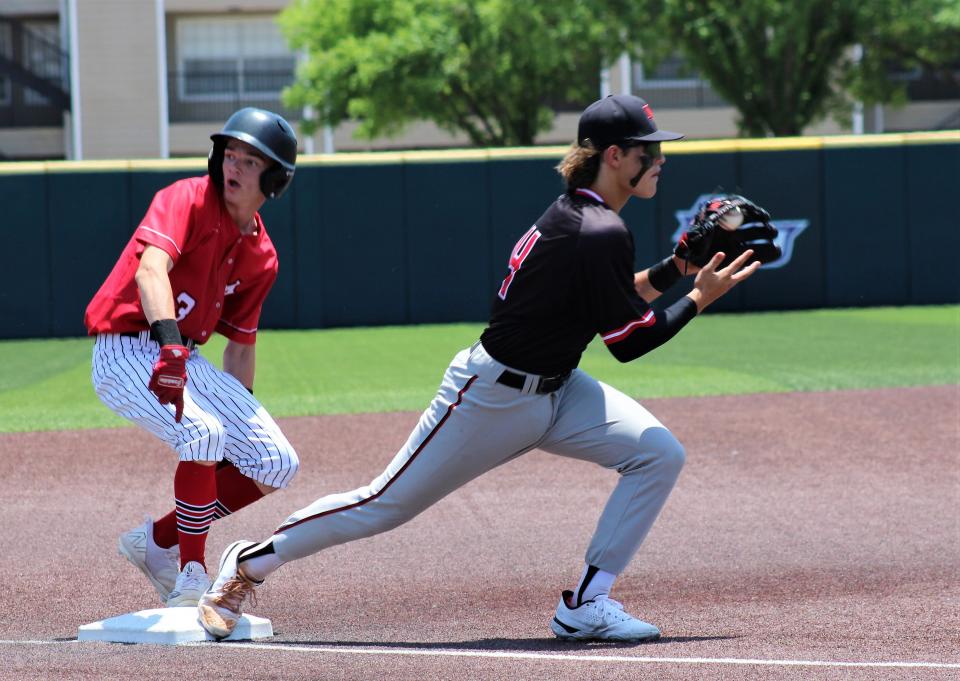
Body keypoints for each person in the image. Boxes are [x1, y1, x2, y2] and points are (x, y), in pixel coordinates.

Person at [197, 94, 760, 641]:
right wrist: (698, 298)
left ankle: (587, 604)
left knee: (658, 453)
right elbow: (630, 341)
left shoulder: (580, 216)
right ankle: (248, 563)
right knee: (383, 504)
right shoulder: (598, 230)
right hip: (491, 398)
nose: (659, 159)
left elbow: (612, 299)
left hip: (558, 392)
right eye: (648, 149)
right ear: (613, 155)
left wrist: (680, 265)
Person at [84, 107, 301, 608]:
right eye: (230, 154)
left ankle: (157, 540)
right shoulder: (186, 199)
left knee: (274, 462)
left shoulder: (262, 255)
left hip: (184, 356)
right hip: (126, 349)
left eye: (250, 161)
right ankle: (190, 577)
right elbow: (150, 272)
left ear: (275, 179)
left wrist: (237, 420)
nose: (234, 165)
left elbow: (241, 345)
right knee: (203, 432)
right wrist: (170, 346)